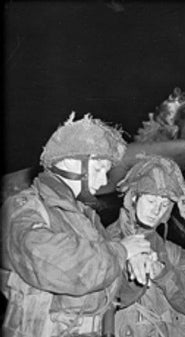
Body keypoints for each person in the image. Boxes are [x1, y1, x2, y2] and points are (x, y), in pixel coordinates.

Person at [1, 113, 152, 337]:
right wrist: (122, 251)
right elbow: (54, 264)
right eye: (99, 169)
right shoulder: (24, 207)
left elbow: (108, 288)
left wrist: (135, 271)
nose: (102, 182)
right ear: (72, 162)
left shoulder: (87, 218)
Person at [106, 154, 185, 337]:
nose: (156, 211)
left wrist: (163, 273)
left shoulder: (174, 253)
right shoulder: (104, 241)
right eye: (151, 201)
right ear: (134, 198)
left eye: (164, 204)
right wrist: (128, 261)